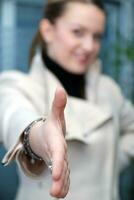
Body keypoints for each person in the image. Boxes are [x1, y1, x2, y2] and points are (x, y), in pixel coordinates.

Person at [0, 0, 134, 199]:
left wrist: (110, 163)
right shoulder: (16, 85)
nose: (89, 46)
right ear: (47, 30)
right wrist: (40, 135)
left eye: (97, 36)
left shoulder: (109, 90)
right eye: (78, 32)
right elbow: (15, 117)